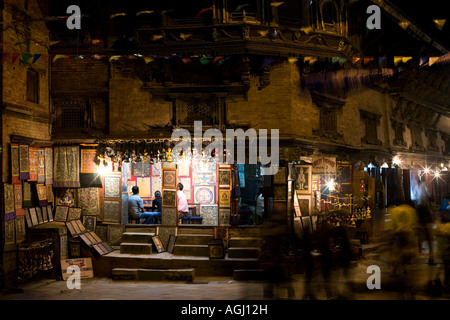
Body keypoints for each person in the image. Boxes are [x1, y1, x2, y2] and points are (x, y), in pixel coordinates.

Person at [413, 178, 436, 265]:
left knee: (419, 234)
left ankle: (419, 248)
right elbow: (427, 195)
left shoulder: (416, 186)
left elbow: (416, 196)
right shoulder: (423, 186)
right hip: (424, 211)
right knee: (430, 238)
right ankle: (431, 257)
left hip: (419, 209)